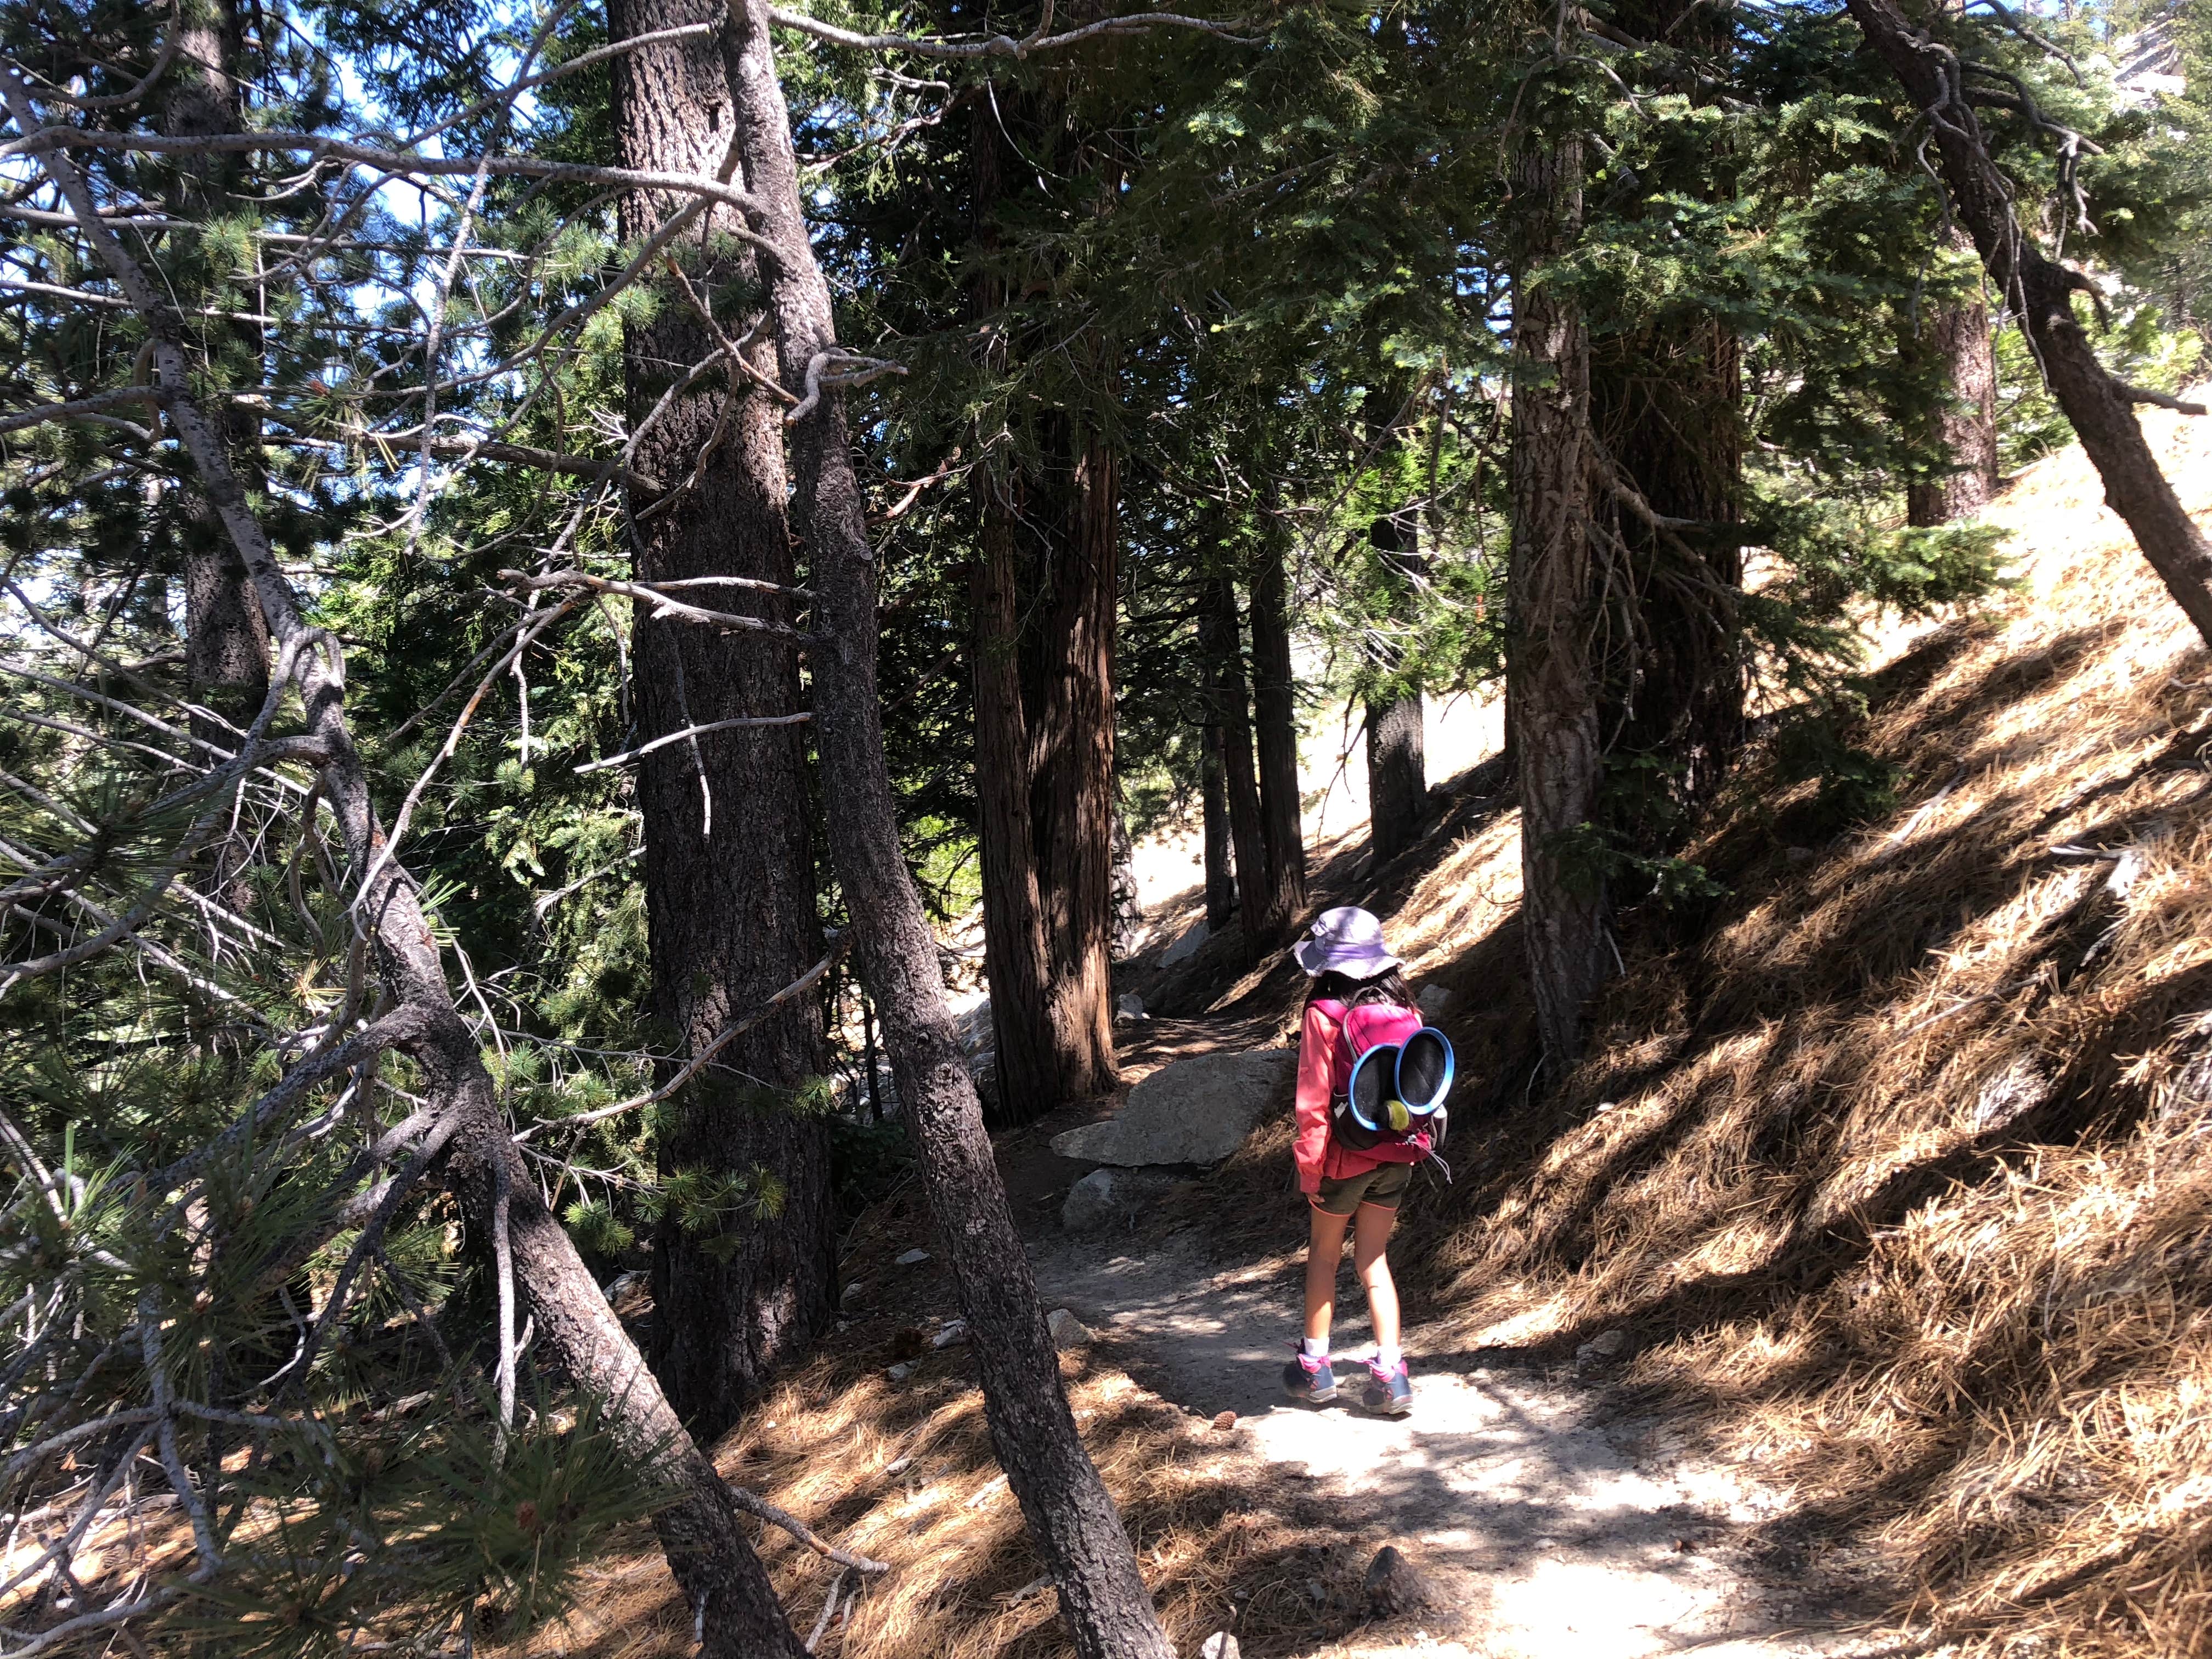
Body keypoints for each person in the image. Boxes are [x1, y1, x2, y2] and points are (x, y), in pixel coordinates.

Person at [1282, 906, 1420, 1416]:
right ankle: (1392, 1374)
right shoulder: (1405, 1009)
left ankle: (1316, 1369)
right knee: (1374, 1260)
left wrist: (1311, 1169)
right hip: (1398, 1154)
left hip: (1343, 1159)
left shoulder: (1322, 1015)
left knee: (1323, 1256)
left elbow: (1313, 1102)